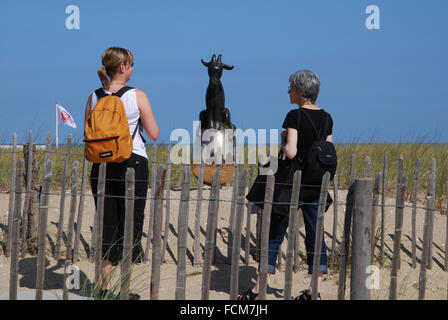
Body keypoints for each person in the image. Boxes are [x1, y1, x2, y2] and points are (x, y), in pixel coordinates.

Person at [238, 70, 333, 300]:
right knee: (315, 234)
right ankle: (314, 291)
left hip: (293, 184)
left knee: (274, 232)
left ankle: (258, 289)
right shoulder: (327, 118)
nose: (288, 91)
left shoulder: (294, 116)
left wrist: (283, 138)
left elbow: (290, 152)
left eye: (290, 87)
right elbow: (327, 150)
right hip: (317, 184)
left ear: (300, 91)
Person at [84, 47, 159, 299]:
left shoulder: (94, 97)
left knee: (107, 224)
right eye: (132, 64)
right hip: (132, 163)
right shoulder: (137, 95)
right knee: (129, 227)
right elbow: (154, 133)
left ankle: (104, 289)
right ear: (124, 66)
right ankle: (124, 290)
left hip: (102, 166)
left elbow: (89, 132)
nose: (132, 68)